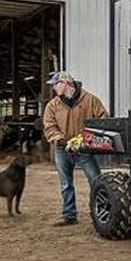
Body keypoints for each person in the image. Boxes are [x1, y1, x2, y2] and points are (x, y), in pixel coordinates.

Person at [43, 71, 108, 226]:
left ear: (66, 84)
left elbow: (103, 119)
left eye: (56, 84)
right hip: (62, 150)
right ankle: (69, 215)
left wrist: (88, 138)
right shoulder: (53, 105)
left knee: (96, 181)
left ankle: (103, 211)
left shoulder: (90, 100)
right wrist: (60, 141)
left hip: (84, 150)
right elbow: (49, 127)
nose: (54, 88)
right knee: (66, 184)